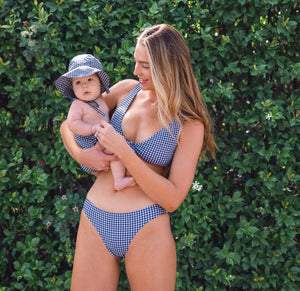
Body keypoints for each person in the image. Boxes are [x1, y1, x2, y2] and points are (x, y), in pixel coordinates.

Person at [60, 24, 217, 290]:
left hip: (146, 225)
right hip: (95, 217)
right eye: (136, 62)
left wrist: (123, 149)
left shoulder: (189, 124)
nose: (135, 71)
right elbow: (69, 123)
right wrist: (81, 155)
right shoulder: (125, 91)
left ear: (167, 67)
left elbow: (173, 197)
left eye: (144, 65)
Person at [56, 54, 135, 190]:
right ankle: (118, 179)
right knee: (115, 149)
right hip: (88, 144)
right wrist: (91, 129)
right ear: (73, 89)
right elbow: (72, 124)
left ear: (100, 83)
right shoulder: (78, 105)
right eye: (78, 82)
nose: (84, 85)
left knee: (115, 152)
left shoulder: (101, 100)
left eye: (90, 79)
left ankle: (117, 180)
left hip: (99, 140)